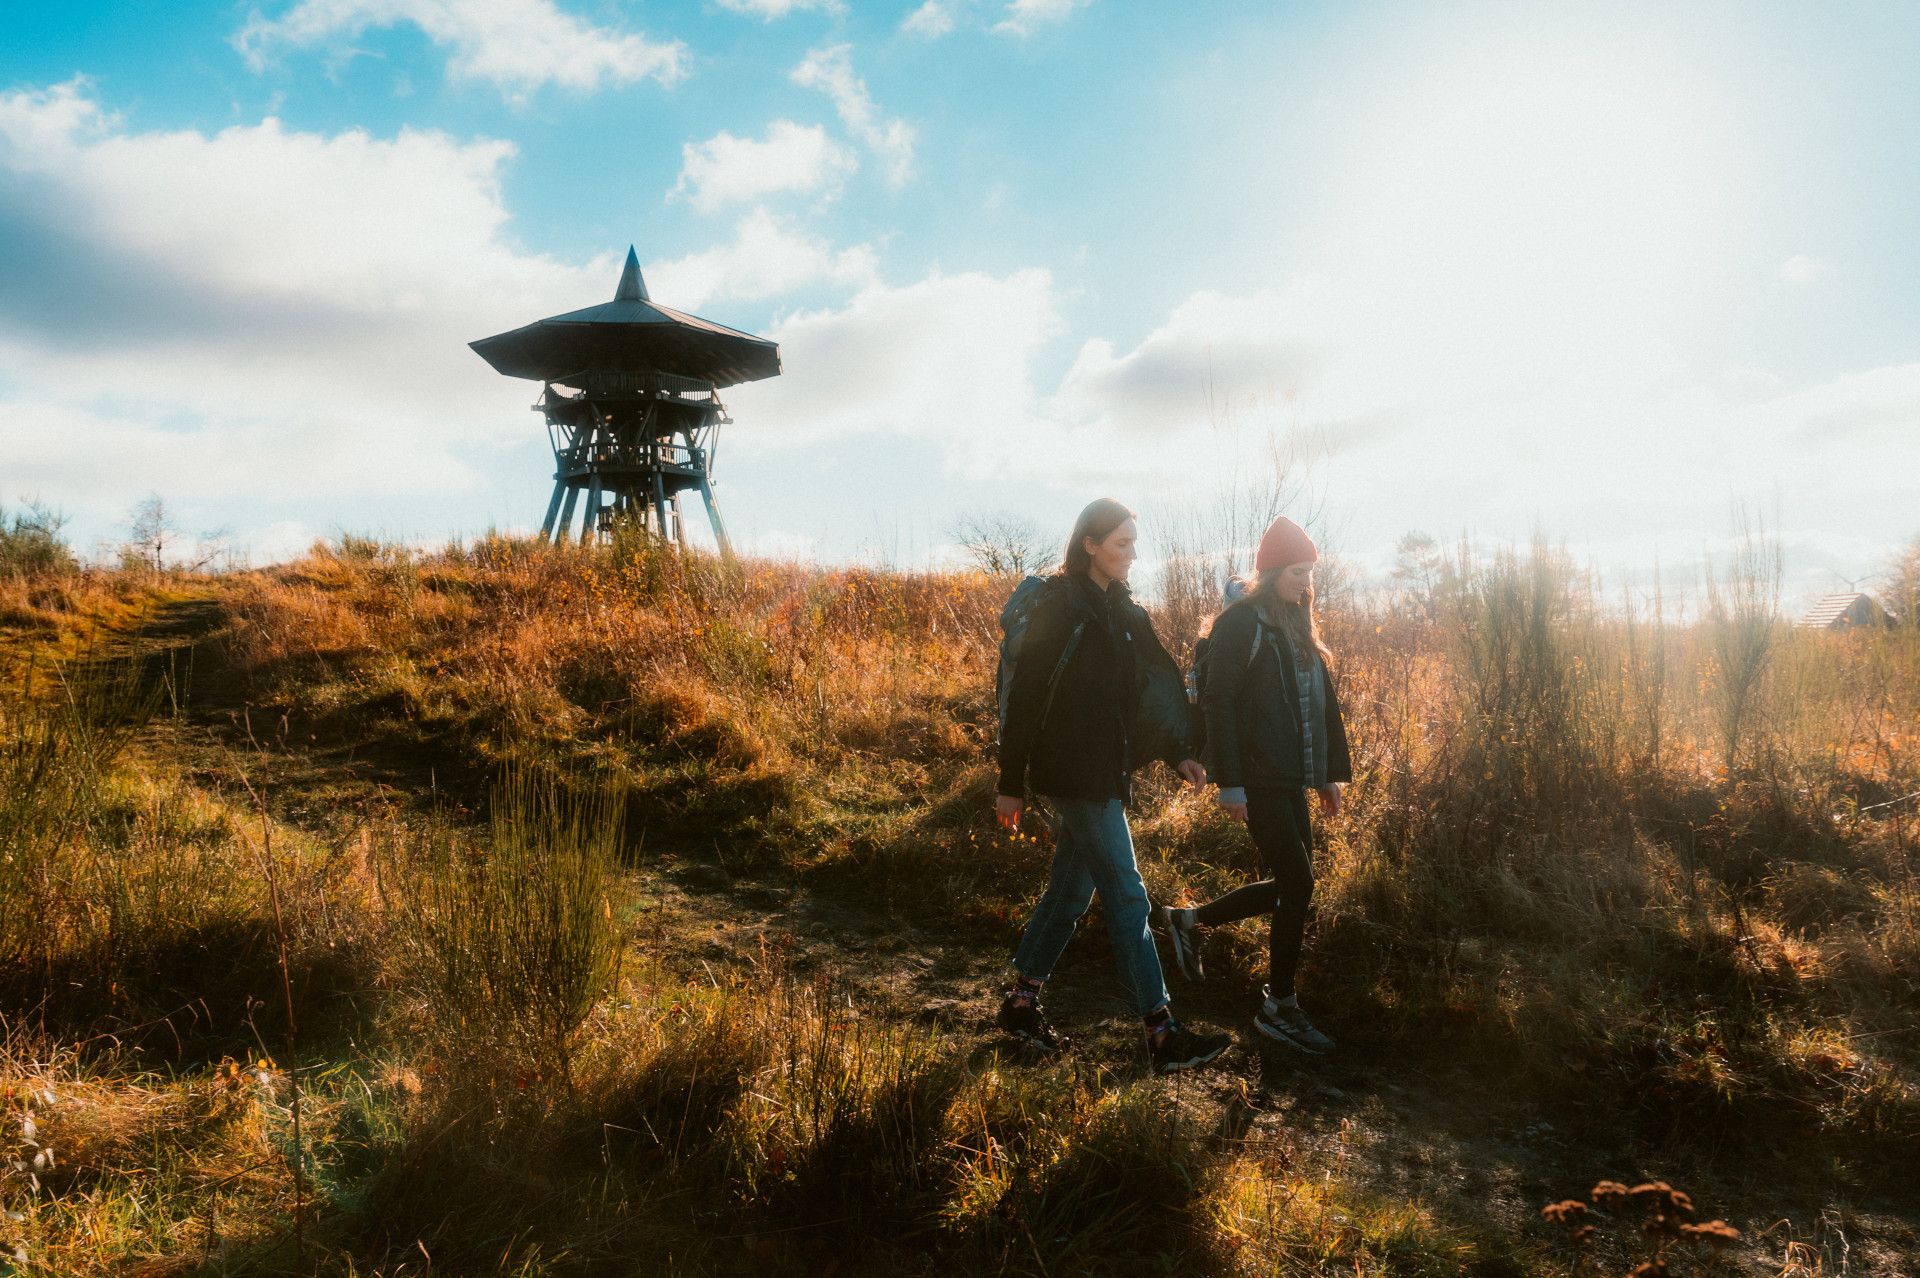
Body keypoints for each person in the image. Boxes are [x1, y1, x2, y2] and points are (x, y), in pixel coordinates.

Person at [995, 497, 1233, 1075]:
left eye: (1133, 544)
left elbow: (1146, 695)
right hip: (1070, 772)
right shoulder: (1060, 606)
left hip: (1106, 772)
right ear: (1090, 545)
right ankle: (1161, 1033)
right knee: (1127, 895)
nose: (1131, 554)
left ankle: (1022, 1003)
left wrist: (1178, 752)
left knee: (1070, 893)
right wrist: (1010, 782)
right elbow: (1025, 699)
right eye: (1121, 544)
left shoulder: (1126, 613)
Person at [1155, 516, 1350, 1054]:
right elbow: (1218, 702)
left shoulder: (1296, 620)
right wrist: (1231, 783)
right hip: (1257, 776)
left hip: (1289, 774)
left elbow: (1315, 703)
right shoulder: (1242, 623)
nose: (1305, 582)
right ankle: (1278, 1007)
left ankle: (1189, 922)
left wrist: (1325, 775)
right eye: (1296, 571)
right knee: (1298, 883)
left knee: (1295, 884)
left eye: (1309, 571)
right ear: (1270, 572)